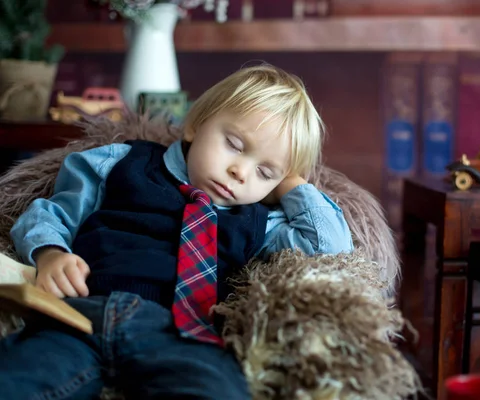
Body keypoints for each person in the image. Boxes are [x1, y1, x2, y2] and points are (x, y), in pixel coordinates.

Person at [0, 64, 354, 399]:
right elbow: (47, 214)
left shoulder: (260, 221)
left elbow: (330, 247)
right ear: (195, 126)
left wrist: (292, 184)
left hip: (182, 334)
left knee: (220, 391)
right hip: (81, 314)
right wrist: (51, 255)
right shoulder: (121, 162)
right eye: (233, 144)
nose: (240, 172)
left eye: (264, 172)